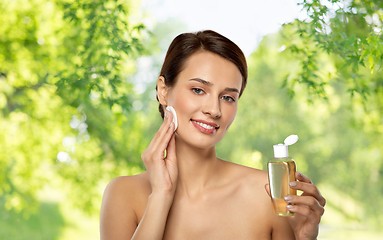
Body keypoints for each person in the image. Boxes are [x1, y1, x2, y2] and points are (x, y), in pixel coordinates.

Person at [100, 30, 326, 240]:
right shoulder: (123, 194)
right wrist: (161, 195)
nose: (214, 110)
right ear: (163, 90)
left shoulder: (268, 195)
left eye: (228, 97)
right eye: (198, 90)